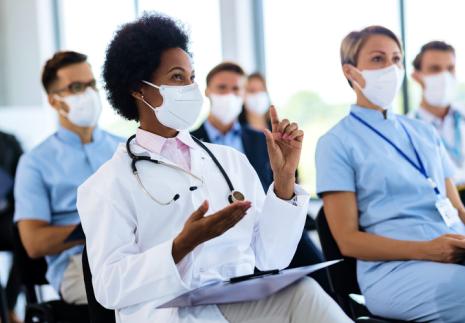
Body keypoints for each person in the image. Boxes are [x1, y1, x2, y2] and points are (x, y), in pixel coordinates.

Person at [77, 13, 351, 323]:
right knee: (303, 297)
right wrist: (182, 245)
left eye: (192, 77)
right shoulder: (108, 183)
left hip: (241, 305)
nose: (191, 88)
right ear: (139, 88)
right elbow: (109, 287)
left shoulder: (229, 160)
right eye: (178, 77)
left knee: (302, 293)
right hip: (168, 315)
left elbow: (272, 256)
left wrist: (284, 179)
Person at [316, 25, 465, 322]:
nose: (390, 67)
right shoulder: (336, 142)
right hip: (395, 269)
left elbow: (457, 209)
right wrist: (429, 251)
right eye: (377, 59)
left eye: (396, 59)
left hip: (455, 255)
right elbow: (348, 241)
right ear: (350, 72)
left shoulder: (424, 132)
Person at [191, 63, 328, 291]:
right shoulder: (192, 143)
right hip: (225, 236)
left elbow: (285, 181)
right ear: (207, 91)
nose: (229, 95)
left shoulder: (262, 139)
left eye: (236, 89)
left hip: (269, 223)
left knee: (321, 273)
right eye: (221, 88)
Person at [14, 51, 122, 304]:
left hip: (133, 252)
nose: (88, 93)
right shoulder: (34, 163)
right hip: (78, 265)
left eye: (91, 84)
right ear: (54, 101)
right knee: (140, 294)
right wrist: (98, 229)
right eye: (76, 87)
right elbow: (34, 243)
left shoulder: (124, 149)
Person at [411, 41, 465, 202]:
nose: (444, 76)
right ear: (417, 76)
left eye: (450, 69)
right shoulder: (408, 129)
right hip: (441, 205)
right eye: (435, 69)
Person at [0, 130, 23, 323]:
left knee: (24, 240)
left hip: (6, 214)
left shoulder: (9, 141)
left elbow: (23, 181)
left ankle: (8, 307)